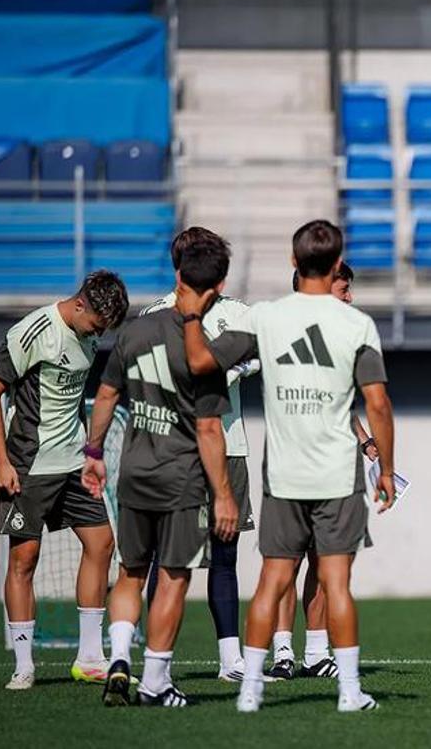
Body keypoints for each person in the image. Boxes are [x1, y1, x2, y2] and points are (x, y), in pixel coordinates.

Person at [177, 219, 395, 713]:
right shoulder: (356, 323)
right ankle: (349, 693)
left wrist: (191, 315)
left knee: (272, 580)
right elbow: (378, 404)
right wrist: (386, 470)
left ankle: (251, 690)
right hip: (338, 476)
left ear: (294, 263)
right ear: (338, 265)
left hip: (283, 477)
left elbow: (200, 364)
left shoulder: (266, 316)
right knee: (336, 583)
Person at [84, 235, 239, 708]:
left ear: (177, 276)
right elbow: (210, 431)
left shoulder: (133, 330)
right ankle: (155, 682)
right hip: (181, 480)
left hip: (133, 473)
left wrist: (93, 452)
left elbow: (107, 395)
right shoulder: (206, 350)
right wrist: (225, 495)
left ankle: (119, 660)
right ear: (218, 287)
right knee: (172, 576)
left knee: (130, 572)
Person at [0, 271, 129, 690]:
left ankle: (88, 657)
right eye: (97, 325)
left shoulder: (88, 334)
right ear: (80, 304)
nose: (98, 333)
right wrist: (2, 461)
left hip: (73, 465)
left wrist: (90, 455)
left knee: (102, 545)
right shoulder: (32, 331)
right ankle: (24, 664)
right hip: (28, 466)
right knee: (24, 561)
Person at [140, 227, 259, 682]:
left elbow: (260, 354)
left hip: (229, 448)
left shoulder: (238, 314)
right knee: (165, 561)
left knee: (225, 557)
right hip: (172, 453)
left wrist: (225, 368)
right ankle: (156, 664)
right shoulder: (155, 313)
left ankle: (231, 660)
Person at [269, 260, 364, 680]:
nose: (349, 298)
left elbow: (340, 402)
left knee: (326, 564)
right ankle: (282, 652)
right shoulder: (283, 332)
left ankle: (316, 653)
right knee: (284, 565)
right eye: (343, 291)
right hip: (292, 466)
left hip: (334, 467)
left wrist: (365, 441)